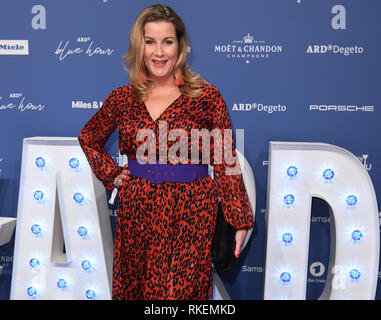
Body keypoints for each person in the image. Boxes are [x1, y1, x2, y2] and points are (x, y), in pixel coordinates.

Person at [78, 4, 254, 300]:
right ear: (139, 45)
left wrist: (239, 219)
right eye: (150, 42)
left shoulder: (206, 97)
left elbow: (226, 159)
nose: (159, 53)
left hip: (193, 211)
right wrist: (112, 174)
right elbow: (89, 138)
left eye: (167, 42)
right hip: (137, 212)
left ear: (181, 46)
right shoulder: (123, 98)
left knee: (182, 294)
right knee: (136, 291)